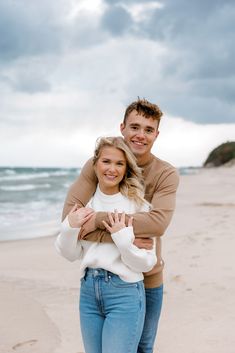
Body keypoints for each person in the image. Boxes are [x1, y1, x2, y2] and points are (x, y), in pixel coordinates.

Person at [62, 98, 180, 353]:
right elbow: (69, 217)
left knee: (142, 348)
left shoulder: (165, 173)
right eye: (134, 127)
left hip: (147, 277)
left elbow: (157, 223)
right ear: (122, 128)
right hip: (99, 281)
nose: (140, 135)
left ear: (156, 135)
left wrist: (95, 220)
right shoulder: (100, 164)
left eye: (148, 130)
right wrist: (122, 234)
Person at [55, 136, 157, 353]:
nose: (112, 169)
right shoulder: (85, 204)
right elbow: (69, 253)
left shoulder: (137, 204)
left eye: (119, 163)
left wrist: (123, 241)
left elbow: (147, 263)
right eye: (106, 162)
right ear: (95, 165)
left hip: (125, 292)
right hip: (89, 291)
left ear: (126, 167)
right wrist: (69, 228)